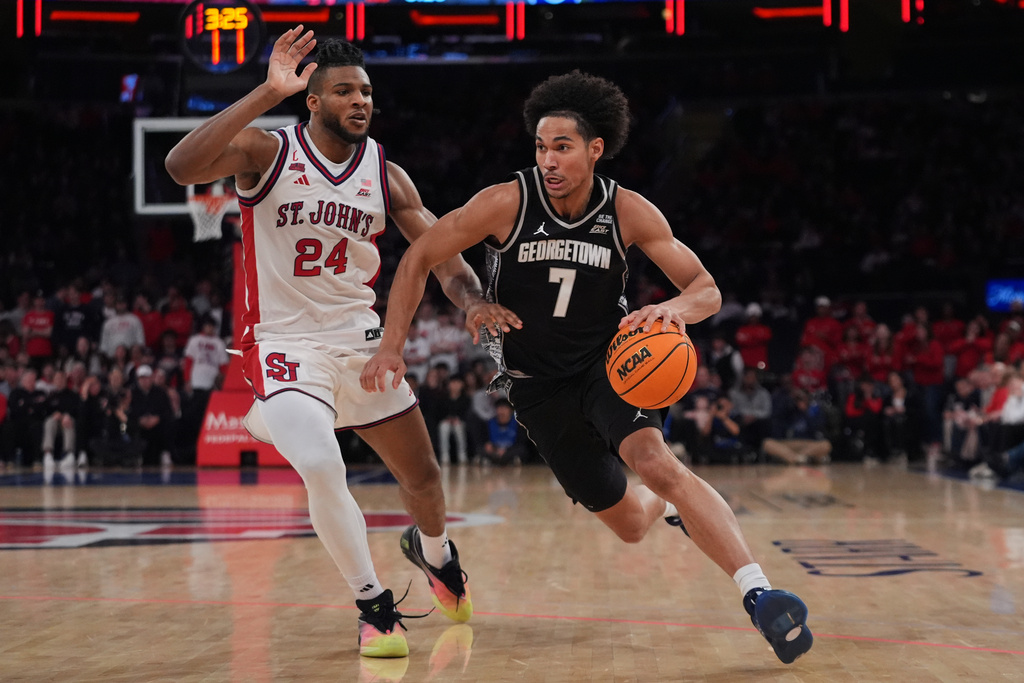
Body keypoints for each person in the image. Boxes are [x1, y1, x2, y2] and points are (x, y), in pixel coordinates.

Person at [361, 70, 812, 664]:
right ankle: (666, 504)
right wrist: (417, 331)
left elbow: (706, 288)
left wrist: (672, 309)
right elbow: (420, 254)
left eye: (563, 147)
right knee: (629, 524)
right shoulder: (506, 202)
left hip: (611, 367)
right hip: (536, 387)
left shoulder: (627, 210)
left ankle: (759, 594)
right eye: (541, 146)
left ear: (595, 148)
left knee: (654, 460)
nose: (548, 159)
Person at [165, 28, 477, 658]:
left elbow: (441, 255)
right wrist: (265, 91)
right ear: (312, 99)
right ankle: (372, 605)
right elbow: (181, 167)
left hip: (361, 341)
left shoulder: (386, 176)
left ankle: (436, 552)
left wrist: (473, 302)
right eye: (343, 90)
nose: (359, 100)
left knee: (424, 481)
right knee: (318, 464)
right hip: (281, 342)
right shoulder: (264, 150)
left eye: (365, 90)